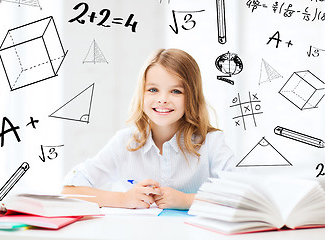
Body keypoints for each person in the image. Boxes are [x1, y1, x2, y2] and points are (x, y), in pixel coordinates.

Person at [62, 48, 236, 209]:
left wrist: (186, 200)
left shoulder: (211, 142)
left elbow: (241, 194)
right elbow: (69, 191)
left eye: (175, 91)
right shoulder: (125, 142)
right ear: (141, 94)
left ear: (192, 96)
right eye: (153, 89)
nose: (162, 99)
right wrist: (123, 199)